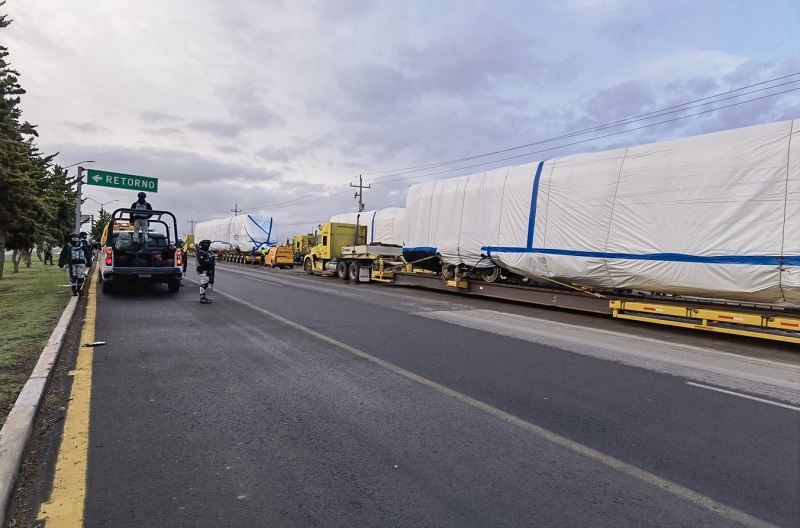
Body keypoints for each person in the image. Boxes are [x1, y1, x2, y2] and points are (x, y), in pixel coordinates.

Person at [59, 232, 92, 297]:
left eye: (76, 238)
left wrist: (89, 262)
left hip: (81, 264)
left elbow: (87, 254)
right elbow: (62, 254)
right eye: (73, 238)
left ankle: (79, 289)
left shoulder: (83, 245)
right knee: (73, 278)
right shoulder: (68, 246)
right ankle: (74, 291)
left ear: (79, 238)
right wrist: (61, 262)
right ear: (71, 238)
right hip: (71, 264)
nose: (75, 239)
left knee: (81, 278)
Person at [196, 239, 215, 304]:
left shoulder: (208, 252)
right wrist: (209, 263)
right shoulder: (200, 252)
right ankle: (202, 298)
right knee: (204, 284)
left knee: (206, 283)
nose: (209, 246)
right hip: (204, 270)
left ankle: (203, 297)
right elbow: (201, 261)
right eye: (208, 244)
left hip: (208, 270)